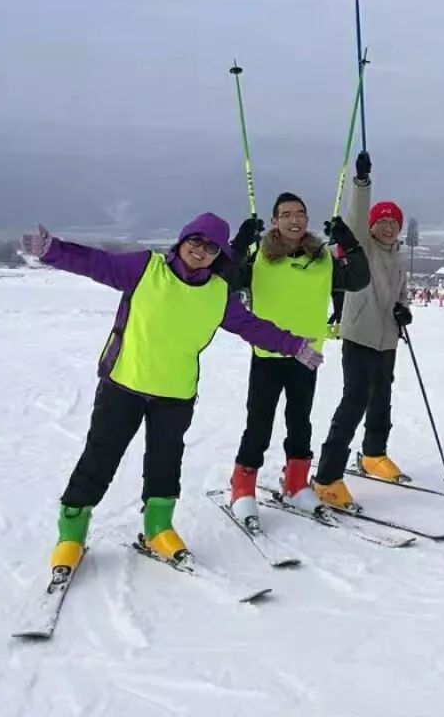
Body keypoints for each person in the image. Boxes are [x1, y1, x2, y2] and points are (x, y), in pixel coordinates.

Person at [22, 214, 322, 573]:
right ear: (181, 241)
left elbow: (252, 327)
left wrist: (294, 346)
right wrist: (53, 251)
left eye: (210, 247)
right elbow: (95, 263)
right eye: (195, 241)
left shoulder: (217, 294)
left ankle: (158, 528)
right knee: (100, 458)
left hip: (175, 394)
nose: (200, 251)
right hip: (124, 385)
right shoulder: (145, 269)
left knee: (166, 463)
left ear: (219, 255)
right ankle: (71, 533)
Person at [225, 193, 371, 523]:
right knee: (258, 426)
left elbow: (359, 279)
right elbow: (226, 277)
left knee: (300, 422)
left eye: (300, 214)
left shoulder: (321, 259)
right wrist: (239, 242)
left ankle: (295, 484)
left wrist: (347, 240)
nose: (295, 220)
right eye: (286, 214)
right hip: (267, 354)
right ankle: (242, 486)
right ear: (275, 221)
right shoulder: (258, 255)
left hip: (306, 355)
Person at [310, 151, 412, 510]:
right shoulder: (362, 247)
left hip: (387, 340)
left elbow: (401, 291)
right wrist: (362, 182)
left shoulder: (399, 254)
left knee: (382, 398)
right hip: (359, 336)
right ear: (371, 227)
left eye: (393, 223)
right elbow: (353, 219)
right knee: (354, 402)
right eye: (382, 222)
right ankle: (326, 476)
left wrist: (404, 309)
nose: (388, 227)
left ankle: (373, 454)